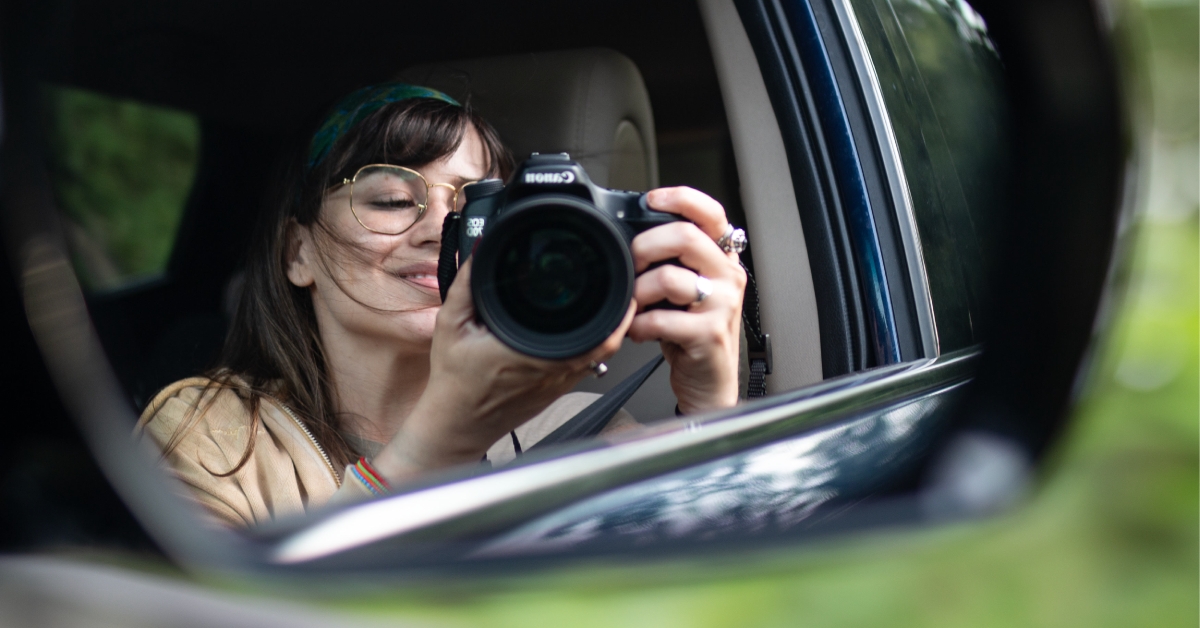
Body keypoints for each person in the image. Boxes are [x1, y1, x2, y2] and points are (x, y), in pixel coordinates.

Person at [136, 83, 747, 527]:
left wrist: (709, 411)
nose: (438, 229)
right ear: (297, 252)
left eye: (472, 206)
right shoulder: (211, 439)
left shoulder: (578, 429)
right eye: (393, 200)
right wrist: (438, 444)